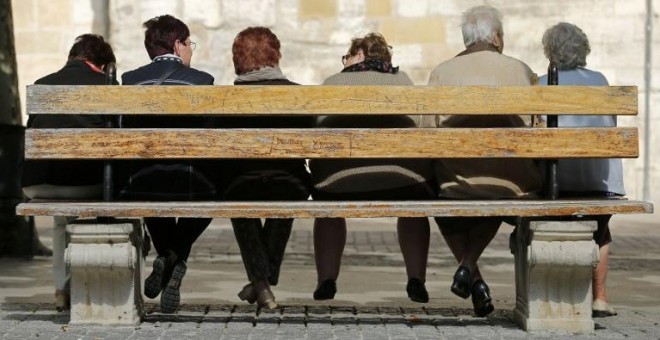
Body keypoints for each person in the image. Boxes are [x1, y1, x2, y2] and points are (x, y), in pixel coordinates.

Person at [424, 5, 542, 317]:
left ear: (466, 39)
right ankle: (468, 269)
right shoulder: (521, 70)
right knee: (498, 187)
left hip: (457, 181)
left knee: (447, 200)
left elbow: (426, 133)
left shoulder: (442, 72)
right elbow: (537, 126)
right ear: (497, 37)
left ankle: (472, 277)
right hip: (512, 181)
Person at [310, 33, 436, 303]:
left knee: (328, 212)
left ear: (359, 56)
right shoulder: (404, 82)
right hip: (402, 181)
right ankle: (416, 278)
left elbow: (317, 129)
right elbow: (421, 127)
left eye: (348, 56)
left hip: (337, 183)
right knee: (414, 209)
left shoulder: (332, 83)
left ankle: (326, 279)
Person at [119, 14, 216, 314]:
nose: (191, 50)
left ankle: (165, 256)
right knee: (211, 194)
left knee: (151, 192)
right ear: (178, 44)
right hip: (190, 179)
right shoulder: (203, 81)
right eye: (190, 44)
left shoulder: (130, 81)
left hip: (142, 180)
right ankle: (173, 257)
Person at [21, 34, 118, 310]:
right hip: (87, 183)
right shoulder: (107, 85)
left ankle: (62, 288)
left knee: (62, 218)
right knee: (108, 195)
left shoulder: (41, 85)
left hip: (38, 183)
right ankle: (102, 283)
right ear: (102, 64)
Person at [218, 26, 312, 309]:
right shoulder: (300, 97)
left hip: (240, 184)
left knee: (240, 203)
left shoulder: (223, 101)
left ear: (238, 59)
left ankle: (260, 284)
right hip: (290, 182)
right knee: (285, 198)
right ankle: (263, 281)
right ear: (276, 55)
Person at [539, 22, 623, 318]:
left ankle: (553, 297)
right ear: (583, 49)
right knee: (601, 231)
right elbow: (611, 127)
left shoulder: (540, 83)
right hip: (600, 184)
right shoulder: (600, 80)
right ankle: (599, 297)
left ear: (549, 51)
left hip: (554, 185)